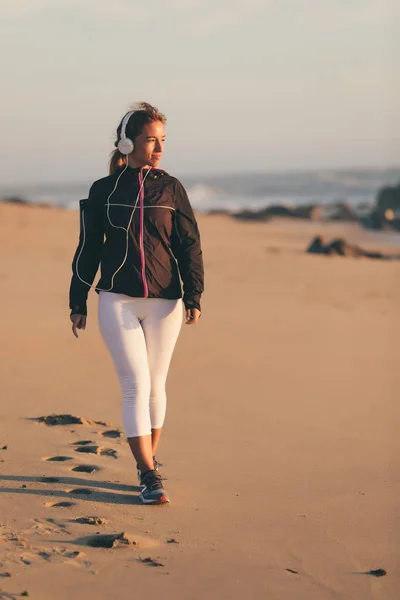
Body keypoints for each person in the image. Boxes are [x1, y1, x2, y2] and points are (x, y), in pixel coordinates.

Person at [69, 102, 204, 505]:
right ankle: (148, 474)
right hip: (117, 299)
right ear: (128, 143)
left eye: (163, 140)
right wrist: (78, 300)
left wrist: (194, 294)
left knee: (156, 387)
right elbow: (89, 247)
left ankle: (148, 460)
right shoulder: (103, 190)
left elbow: (189, 244)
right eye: (151, 140)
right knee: (135, 385)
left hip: (165, 301)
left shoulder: (172, 187)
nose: (159, 148)